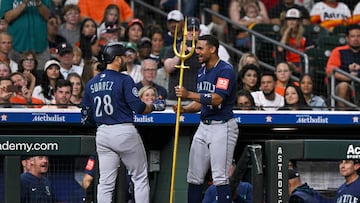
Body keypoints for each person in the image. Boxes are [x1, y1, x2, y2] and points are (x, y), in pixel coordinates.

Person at [81, 42, 165, 203]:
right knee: (140, 177)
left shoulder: (91, 83)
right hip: (123, 130)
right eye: (124, 57)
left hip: (102, 133)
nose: (126, 59)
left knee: (105, 183)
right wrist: (154, 106)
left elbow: (86, 117)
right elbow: (139, 107)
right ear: (117, 59)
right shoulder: (124, 79)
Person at [174, 34, 238, 203]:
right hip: (204, 125)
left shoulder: (225, 70)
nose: (197, 52)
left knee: (220, 177)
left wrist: (188, 94)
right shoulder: (201, 71)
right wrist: (185, 109)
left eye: (201, 48)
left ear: (212, 49)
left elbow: (217, 98)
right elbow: (201, 102)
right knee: (193, 175)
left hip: (222, 126)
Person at [1, 0, 51, 69]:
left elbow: (48, 16)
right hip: (17, 45)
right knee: (16, 75)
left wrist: (38, 3)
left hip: (40, 45)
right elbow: (7, 18)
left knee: (42, 75)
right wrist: (24, 3)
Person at [163, 17, 202, 105]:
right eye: (189, 29)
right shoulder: (173, 49)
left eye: (195, 30)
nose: (192, 33)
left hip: (195, 99)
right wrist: (180, 54)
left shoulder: (203, 51)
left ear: (199, 32)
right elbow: (169, 68)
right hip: (175, 99)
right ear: (184, 30)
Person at [326, 24, 360, 109]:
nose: (356, 39)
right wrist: (348, 77)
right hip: (346, 86)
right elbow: (329, 72)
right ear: (347, 38)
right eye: (352, 36)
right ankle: (343, 116)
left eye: (359, 36)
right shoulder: (339, 51)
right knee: (343, 86)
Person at [277, 8, 315, 73]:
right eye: (289, 19)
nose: (291, 22)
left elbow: (311, 54)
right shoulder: (282, 35)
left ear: (298, 22)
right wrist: (286, 32)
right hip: (288, 64)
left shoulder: (305, 35)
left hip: (302, 63)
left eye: (294, 19)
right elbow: (280, 49)